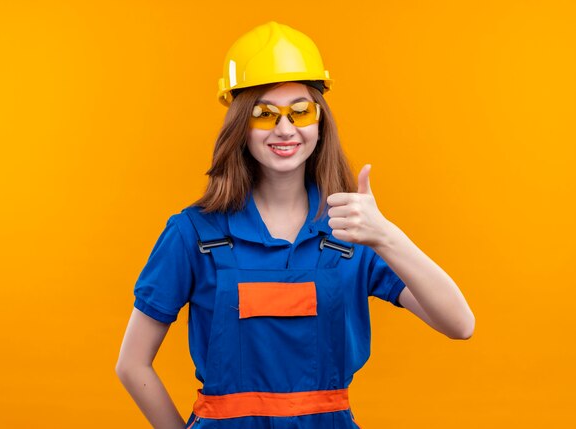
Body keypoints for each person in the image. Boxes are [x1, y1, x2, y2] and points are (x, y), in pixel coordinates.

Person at [116, 21, 475, 429]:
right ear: (240, 126)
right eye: (264, 114)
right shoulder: (193, 235)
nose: (285, 129)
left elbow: (460, 324)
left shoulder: (352, 232)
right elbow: (131, 364)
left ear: (321, 122)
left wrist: (386, 235)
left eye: (300, 111)